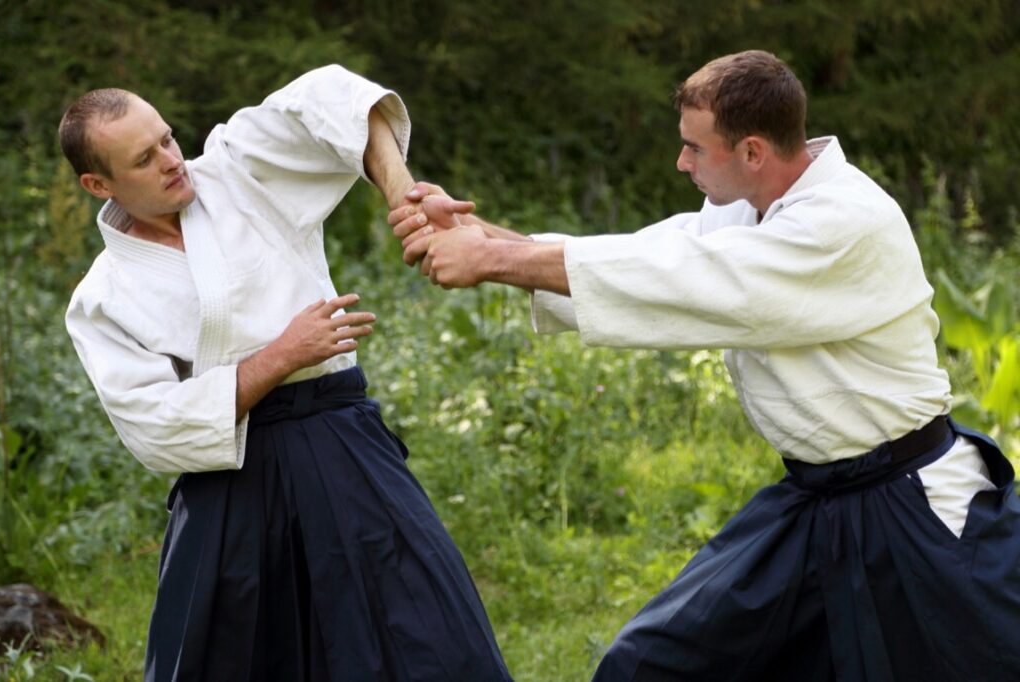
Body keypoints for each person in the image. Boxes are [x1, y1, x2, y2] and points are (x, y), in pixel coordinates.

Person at [390, 50, 1020, 680]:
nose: (681, 162)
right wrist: (479, 234)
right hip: (812, 500)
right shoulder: (745, 207)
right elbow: (635, 258)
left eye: (694, 148)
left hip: (907, 506)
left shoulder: (845, 222)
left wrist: (486, 260)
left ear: (751, 152)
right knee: (650, 667)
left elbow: (688, 279)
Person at [60, 65, 511, 681]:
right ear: (97, 182)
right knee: (235, 659)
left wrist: (401, 190)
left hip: (338, 444)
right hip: (229, 485)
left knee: (421, 631)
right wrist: (282, 354)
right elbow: (156, 429)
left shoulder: (237, 170)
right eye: (145, 158)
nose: (172, 160)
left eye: (167, 138)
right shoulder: (102, 299)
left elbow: (329, 97)